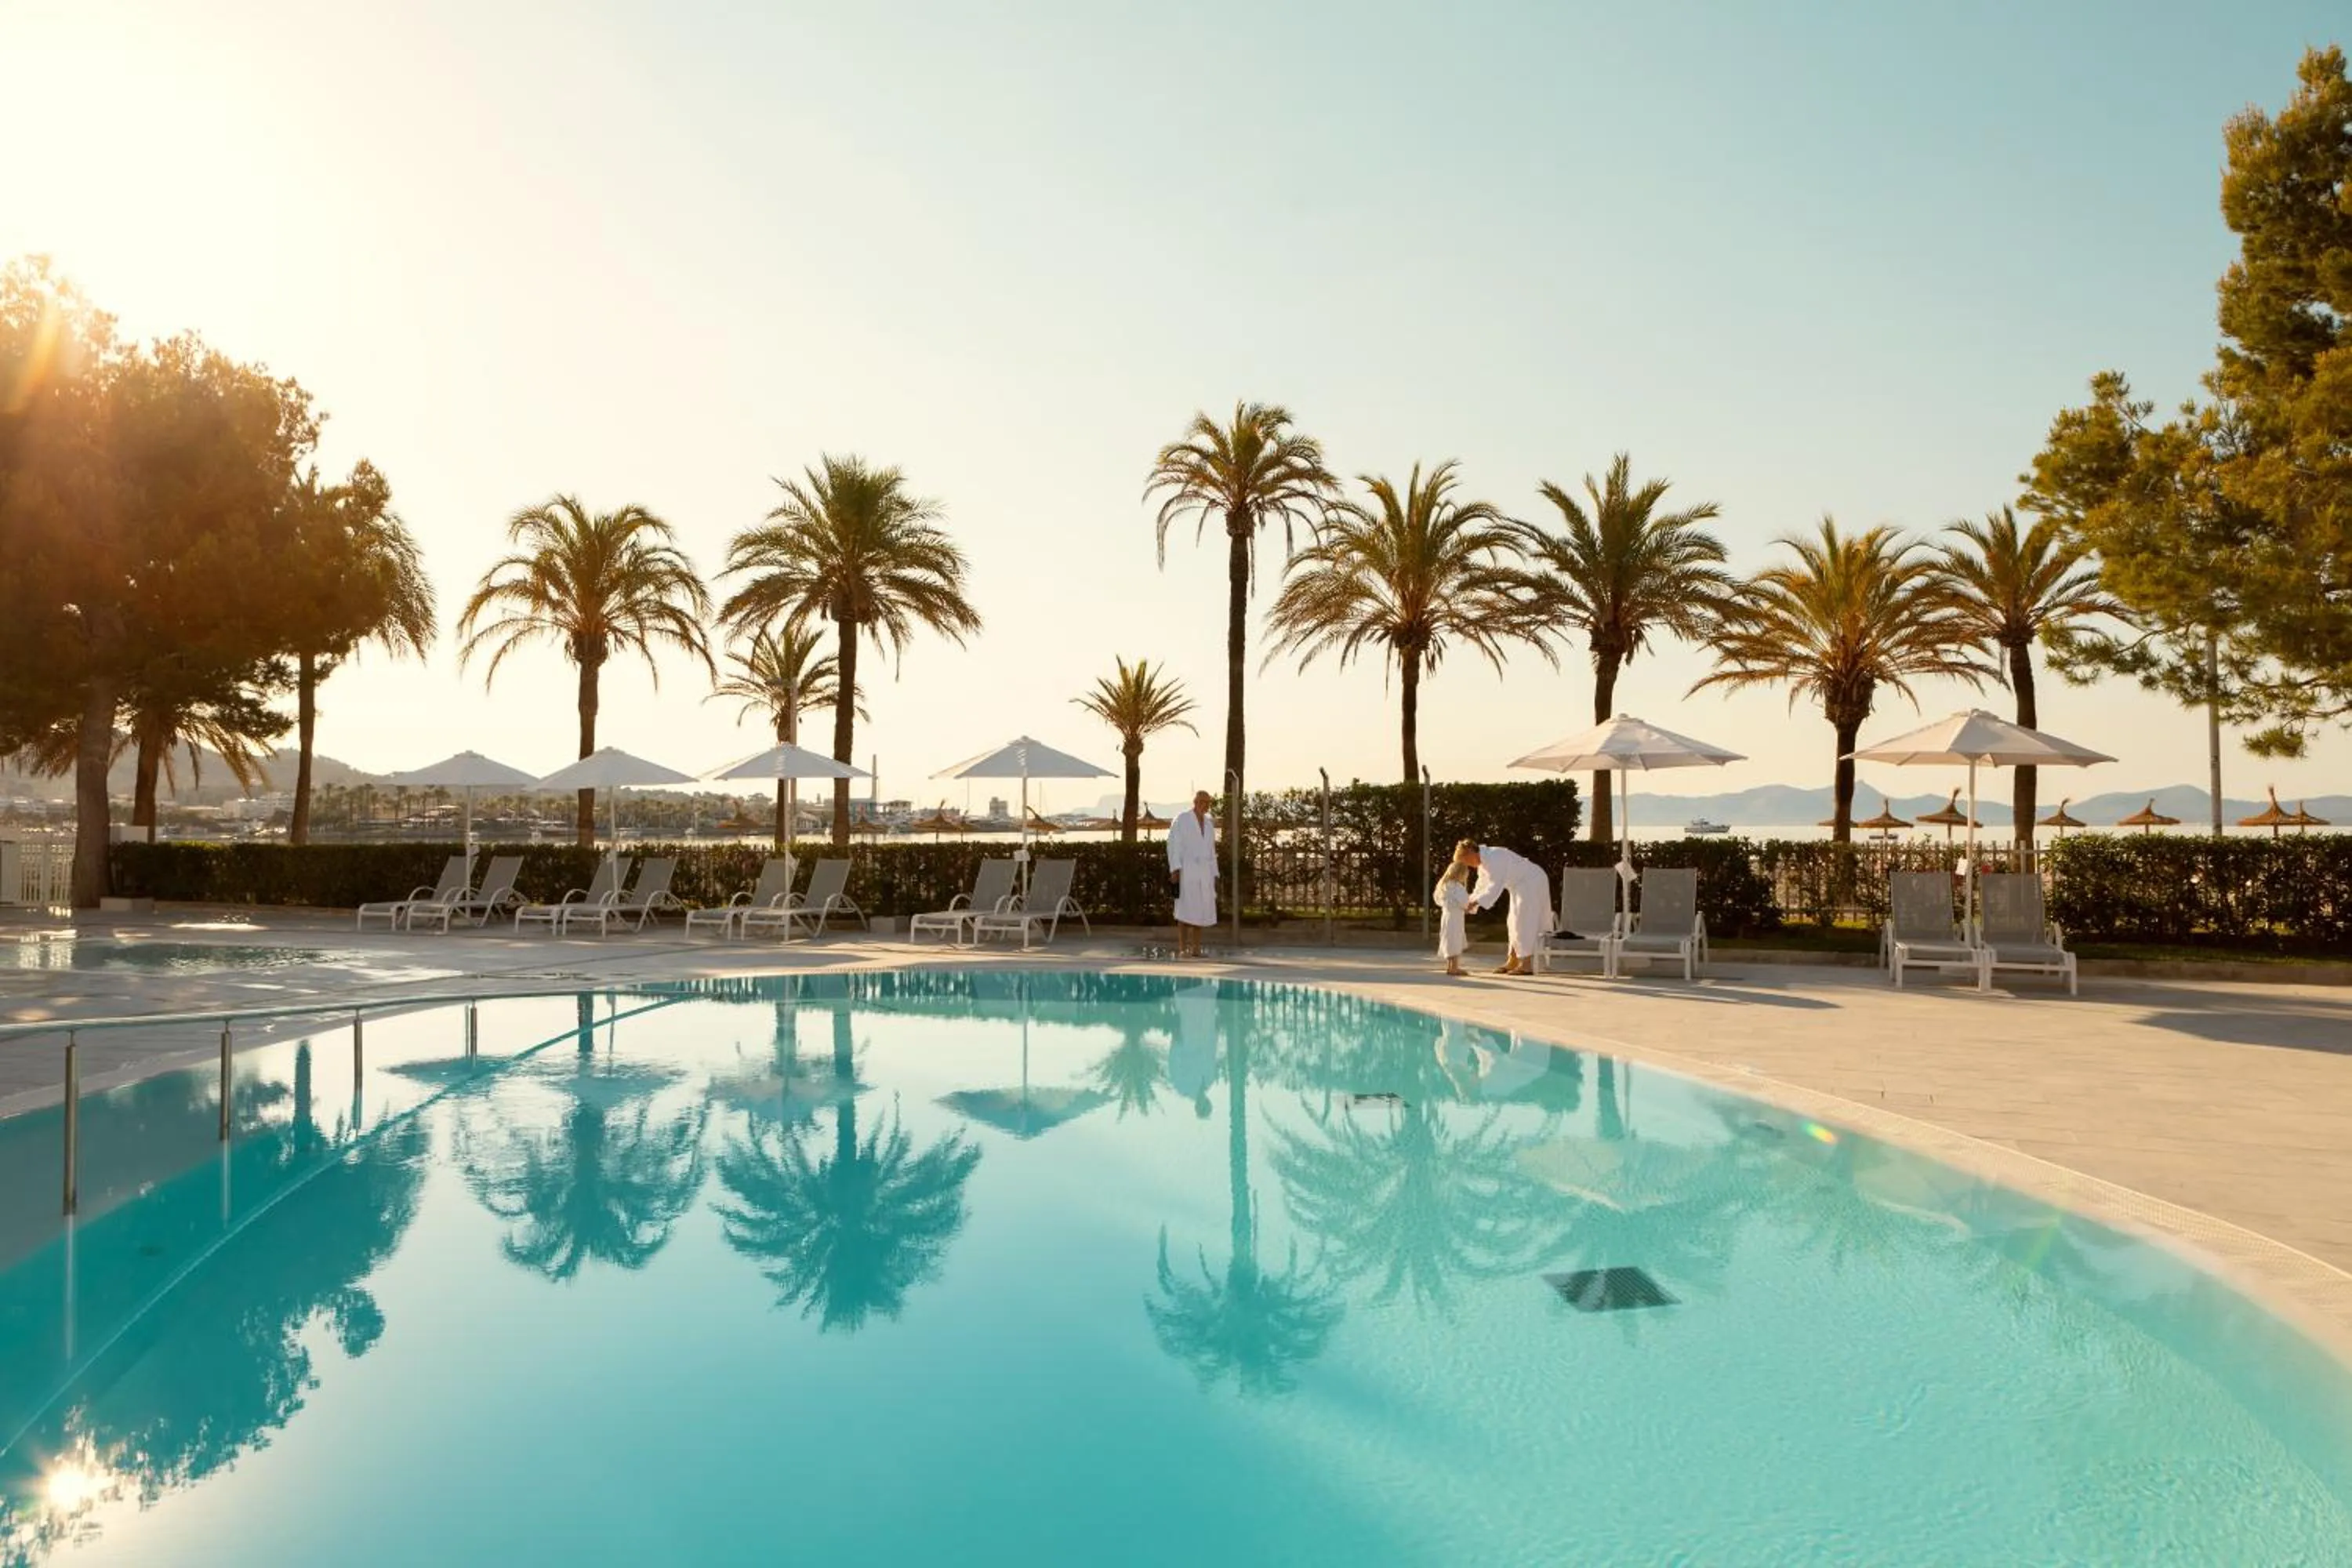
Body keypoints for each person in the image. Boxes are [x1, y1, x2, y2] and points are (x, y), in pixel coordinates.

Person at [1457, 839, 1551, 976]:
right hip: (1519, 886)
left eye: (1466, 861)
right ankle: (1512, 960)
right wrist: (1468, 901)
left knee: (1524, 921)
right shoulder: (1484, 863)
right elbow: (1481, 886)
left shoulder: (1495, 857)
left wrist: (1475, 903)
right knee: (1512, 921)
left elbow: (1494, 886)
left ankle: (1526, 964)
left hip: (1532, 882)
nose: (1468, 865)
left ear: (1471, 852)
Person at [1166, 789, 1218, 960]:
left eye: (1208, 803)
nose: (1206, 805)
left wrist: (1214, 872)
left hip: (1204, 872)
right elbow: (1174, 844)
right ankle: (1182, 948)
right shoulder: (1182, 819)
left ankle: (1196, 948)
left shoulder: (1209, 824)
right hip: (1187, 870)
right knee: (1184, 909)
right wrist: (1175, 868)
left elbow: (1211, 850)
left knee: (1200, 909)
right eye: (1203, 802)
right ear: (1195, 802)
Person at [1434, 856, 1472, 977]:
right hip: (1456, 917)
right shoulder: (1458, 887)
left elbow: (1438, 900)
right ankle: (1454, 967)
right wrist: (1469, 908)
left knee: (1448, 939)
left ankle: (1450, 966)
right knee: (1455, 940)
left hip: (1446, 916)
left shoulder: (1443, 886)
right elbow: (1465, 903)